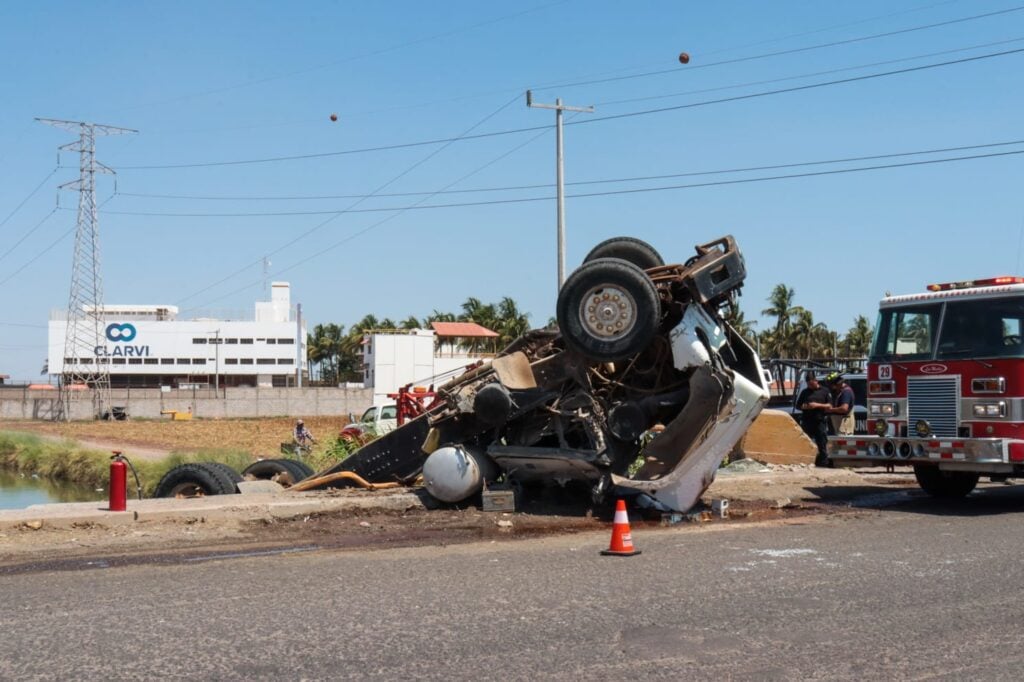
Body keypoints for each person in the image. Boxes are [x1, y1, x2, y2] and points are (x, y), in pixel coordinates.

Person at [796, 372, 832, 467]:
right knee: (805, 442)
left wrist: (817, 405)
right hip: (807, 421)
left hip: (820, 421)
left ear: (816, 381)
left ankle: (823, 463)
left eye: (812, 384)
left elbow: (829, 405)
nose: (810, 386)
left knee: (822, 443)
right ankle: (805, 461)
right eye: (808, 384)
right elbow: (798, 406)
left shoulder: (824, 391)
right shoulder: (805, 392)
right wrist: (806, 407)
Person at [825, 372, 856, 436]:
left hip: (844, 427)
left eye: (832, 386)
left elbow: (844, 408)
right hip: (838, 425)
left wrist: (830, 410)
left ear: (838, 384)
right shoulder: (839, 391)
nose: (831, 388)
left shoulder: (846, 392)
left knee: (845, 445)